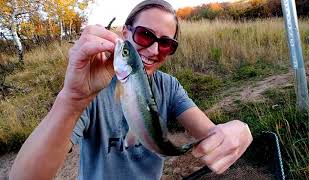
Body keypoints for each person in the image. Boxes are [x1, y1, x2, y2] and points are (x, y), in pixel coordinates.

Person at [9, 0, 253, 179]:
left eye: (166, 43)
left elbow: (213, 137)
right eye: (145, 36)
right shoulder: (91, 91)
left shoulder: (169, 86)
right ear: (125, 33)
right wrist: (72, 99)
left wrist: (239, 129)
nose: (154, 50)